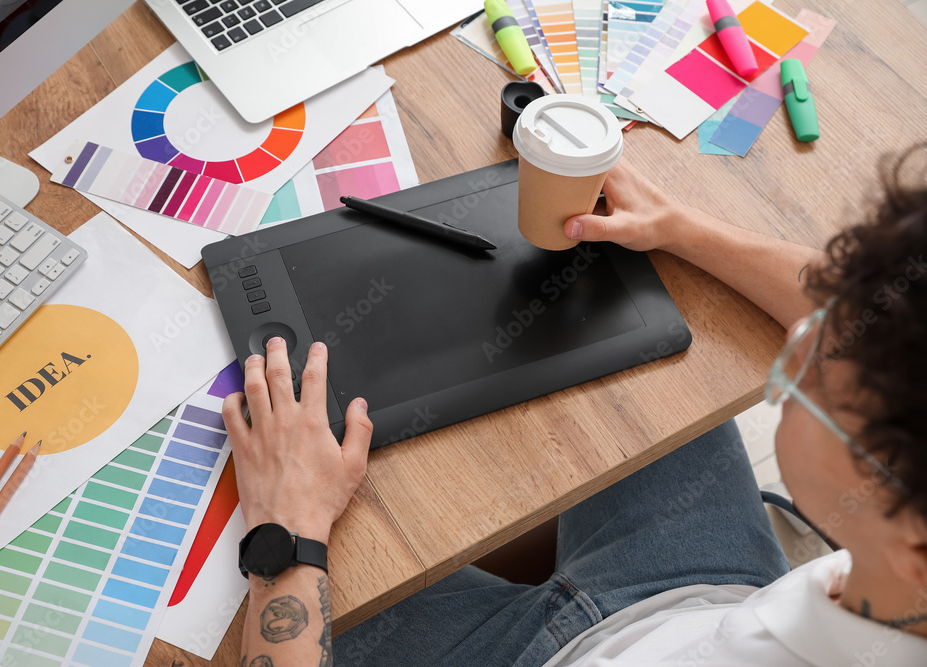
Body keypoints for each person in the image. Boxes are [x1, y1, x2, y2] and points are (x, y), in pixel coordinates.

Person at [222, 145, 927, 667]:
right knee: (615, 319)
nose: (811, 338)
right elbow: (874, 314)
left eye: (817, 375)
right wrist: (681, 227)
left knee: (224, 605)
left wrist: (288, 535)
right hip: (707, 594)